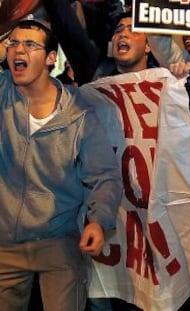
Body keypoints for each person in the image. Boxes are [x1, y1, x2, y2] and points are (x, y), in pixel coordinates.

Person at [0, 17, 122, 310]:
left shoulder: (79, 113)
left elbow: (104, 176)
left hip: (60, 243)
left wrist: (98, 220)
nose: (19, 50)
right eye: (13, 43)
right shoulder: (2, 93)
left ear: (51, 58)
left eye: (30, 45)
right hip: (3, 245)